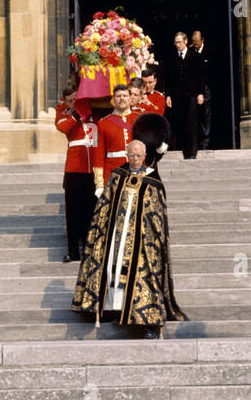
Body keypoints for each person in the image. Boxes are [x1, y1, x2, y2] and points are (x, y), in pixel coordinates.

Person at [72, 139, 186, 338]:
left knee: (142, 276)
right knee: (113, 271)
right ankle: (113, 310)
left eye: (138, 155)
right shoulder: (117, 176)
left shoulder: (153, 180)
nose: (134, 159)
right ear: (127, 155)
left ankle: (144, 320)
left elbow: (157, 213)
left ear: (145, 156)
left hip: (141, 239)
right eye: (131, 155)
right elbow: (105, 205)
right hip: (116, 235)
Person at [55, 77, 99, 263]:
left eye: (76, 99)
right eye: (70, 101)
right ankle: (73, 251)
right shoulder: (64, 112)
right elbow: (62, 127)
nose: (73, 103)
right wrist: (76, 113)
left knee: (92, 209)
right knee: (73, 212)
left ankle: (91, 250)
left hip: (93, 167)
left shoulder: (92, 111)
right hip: (75, 167)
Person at [163, 31, 201, 159]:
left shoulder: (194, 56)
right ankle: (185, 151)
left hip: (191, 94)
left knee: (192, 122)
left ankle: (193, 152)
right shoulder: (172, 58)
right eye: (176, 43)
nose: (177, 45)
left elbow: (200, 76)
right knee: (181, 122)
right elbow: (168, 79)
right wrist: (168, 95)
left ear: (185, 41)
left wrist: (200, 93)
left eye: (179, 42)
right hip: (177, 96)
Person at [93, 85, 137, 192]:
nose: (122, 98)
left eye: (125, 96)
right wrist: (99, 184)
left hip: (137, 172)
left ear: (130, 98)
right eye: (118, 96)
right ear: (113, 99)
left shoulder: (139, 119)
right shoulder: (103, 123)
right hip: (113, 174)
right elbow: (98, 155)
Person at [190, 29, 213, 150]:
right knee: (194, 115)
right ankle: (196, 141)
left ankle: (206, 141)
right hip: (193, 89)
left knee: (206, 115)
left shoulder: (209, 52)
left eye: (197, 43)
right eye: (194, 43)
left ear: (202, 40)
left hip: (206, 89)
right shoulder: (190, 52)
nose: (195, 45)